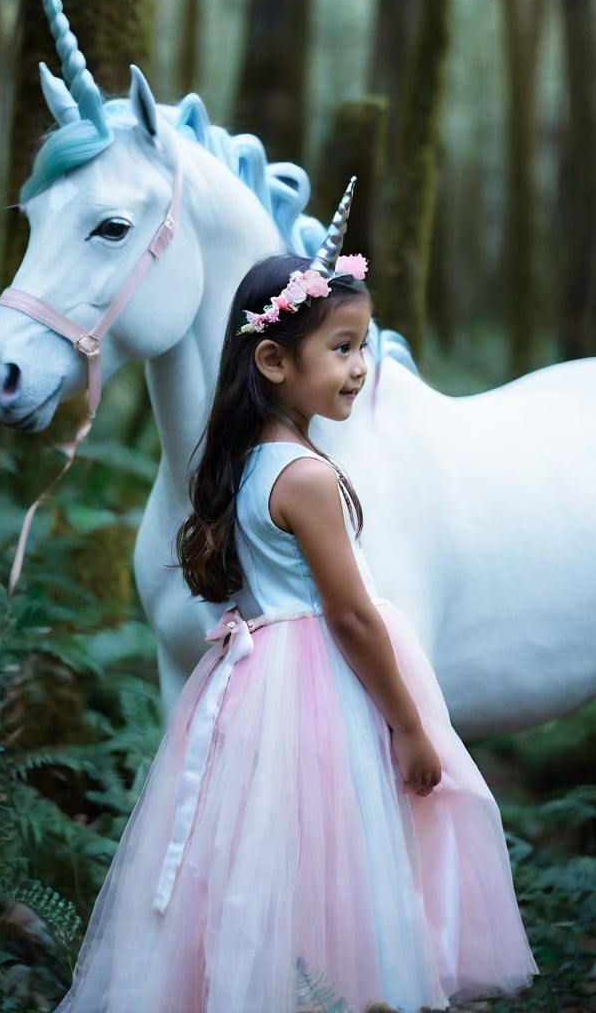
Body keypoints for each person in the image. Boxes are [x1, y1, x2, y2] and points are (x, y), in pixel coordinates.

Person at [53, 181, 536, 1013]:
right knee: (340, 858)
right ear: (275, 361)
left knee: (272, 864)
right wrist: (413, 727)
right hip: (319, 690)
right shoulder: (307, 478)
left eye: (364, 344)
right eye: (343, 348)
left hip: (264, 685)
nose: (360, 367)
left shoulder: (253, 461)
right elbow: (349, 614)